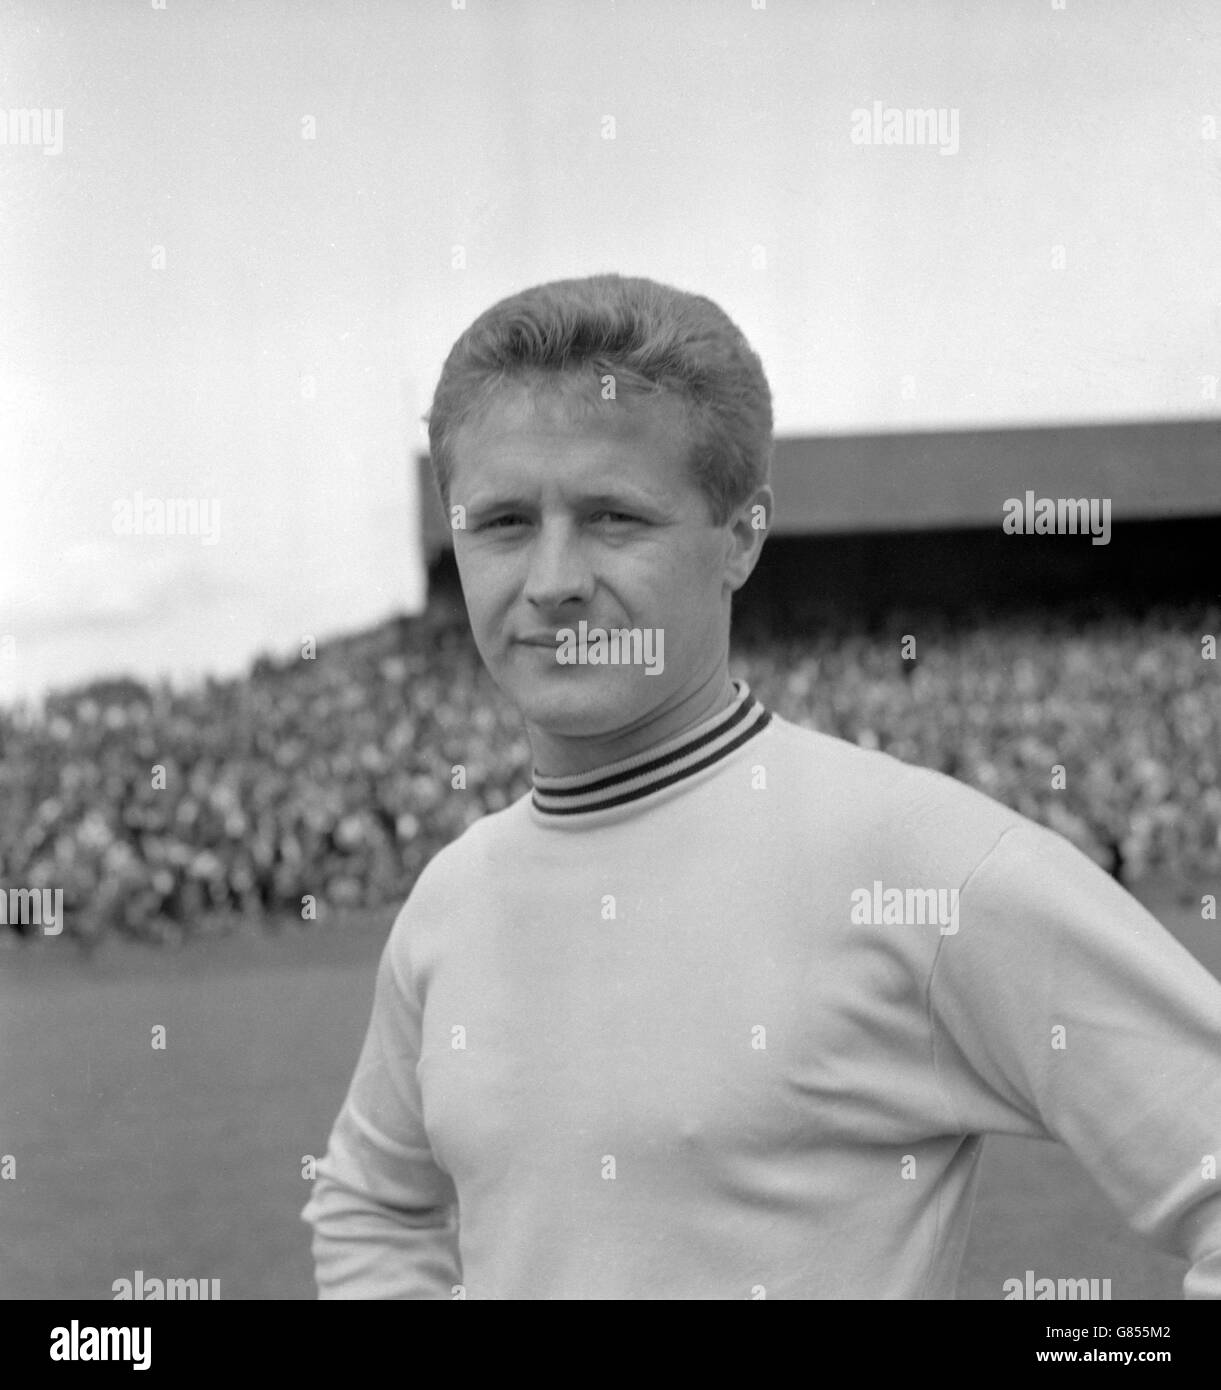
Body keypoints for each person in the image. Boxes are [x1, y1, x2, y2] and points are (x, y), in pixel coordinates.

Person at [301, 273, 1221, 1299]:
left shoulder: (928, 863)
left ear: (740, 536)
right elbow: (370, 1204)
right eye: (505, 521)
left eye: (614, 517)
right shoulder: (451, 898)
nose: (553, 579)